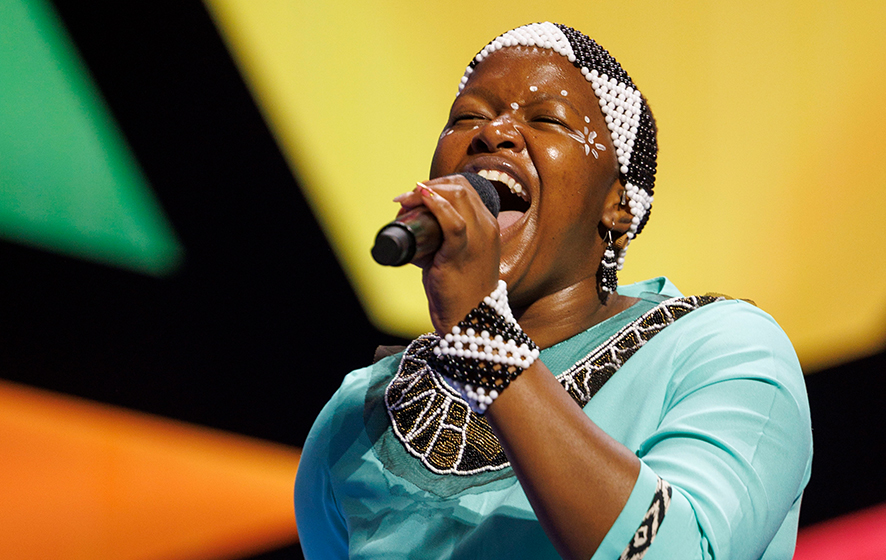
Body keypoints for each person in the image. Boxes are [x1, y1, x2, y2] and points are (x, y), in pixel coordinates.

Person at [295, 22, 812, 560]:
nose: (494, 133)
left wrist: (484, 340)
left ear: (618, 205)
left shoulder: (721, 349)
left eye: (547, 120)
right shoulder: (360, 411)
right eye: (468, 116)